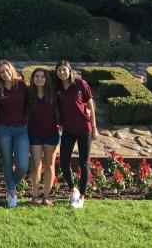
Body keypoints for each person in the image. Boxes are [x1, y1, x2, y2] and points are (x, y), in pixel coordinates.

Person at [55, 60, 98, 209]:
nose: (61, 72)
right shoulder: (58, 88)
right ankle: (73, 189)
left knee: (84, 163)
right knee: (64, 162)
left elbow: (90, 106)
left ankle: (82, 196)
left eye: (64, 69)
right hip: (68, 130)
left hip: (84, 129)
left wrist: (94, 127)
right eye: (59, 70)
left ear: (69, 70)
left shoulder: (80, 84)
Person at [0, 60, 29, 208]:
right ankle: (12, 194)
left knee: (22, 165)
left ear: (12, 70)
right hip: (3, 129)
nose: (5, 73)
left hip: (21, 129)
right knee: (7, 163)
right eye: (2, 72)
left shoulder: (21, 85)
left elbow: (32, 102)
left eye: (7, 70)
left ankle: (10, 186)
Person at [27, 68, 59, 206]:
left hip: (51, 134)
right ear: (33, 78)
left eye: (42, 76)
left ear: (46, 79)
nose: (39, 78)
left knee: (50, 166)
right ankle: (35, 196)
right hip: (34, 134)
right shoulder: (29, 94)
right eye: (36, 76)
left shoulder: (53, 95)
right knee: (36, 166)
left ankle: (46, 196)